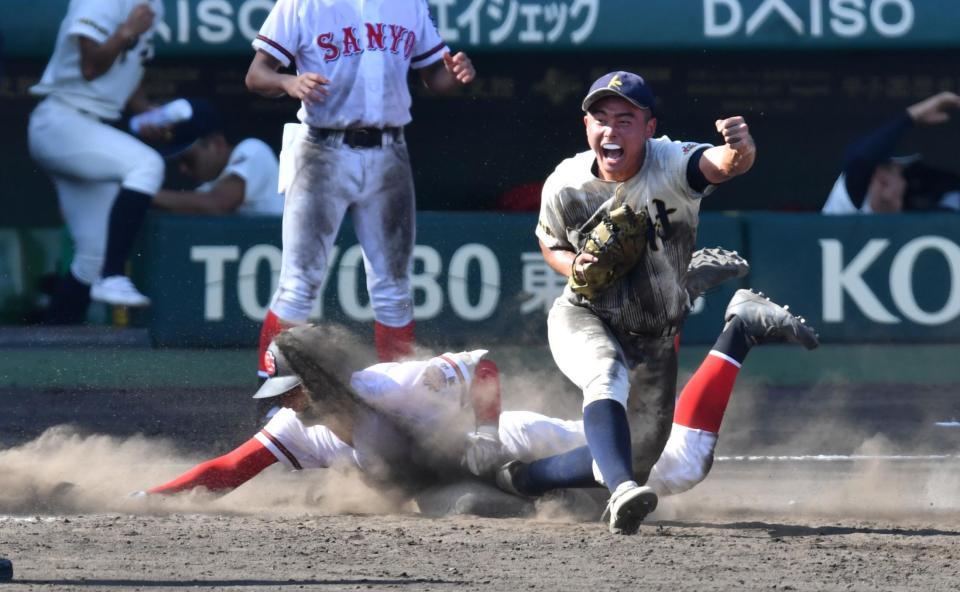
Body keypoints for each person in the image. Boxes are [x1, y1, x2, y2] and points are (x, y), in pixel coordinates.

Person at [141, 288, 818, 521]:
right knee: (477, 505)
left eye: (288, 389)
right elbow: (229, 469)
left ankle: (737, 328)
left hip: (513, 445)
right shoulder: (304, 426)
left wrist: (489, 431)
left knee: (674, 467)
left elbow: (482, 366)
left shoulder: (385, 386)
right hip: (484, 483)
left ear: (314, 381)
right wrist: (156, 495)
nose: (283, 404)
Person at [516, 70, 758, 534]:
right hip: (585, 313)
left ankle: (526, 477)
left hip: (652, 335)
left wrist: (740, 147)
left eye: (625, 120)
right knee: (604, 374)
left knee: (642, 453)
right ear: (586, 126)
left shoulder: (670, 162)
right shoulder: (566, 183)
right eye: (600, 118)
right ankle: (622, 489)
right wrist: (574, 267)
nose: (611, 130)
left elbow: (723, 164)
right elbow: (549, 243)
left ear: (649, 128)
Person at [243, 0, 476, 377]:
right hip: (321, 149)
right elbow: (257, 74)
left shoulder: (408, 4)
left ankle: (398, 393)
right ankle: (274, 392)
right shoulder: (303, 4)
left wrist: (457, 74)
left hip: (389, 151)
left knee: (393, 287)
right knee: (299, 282)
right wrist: (289, 82)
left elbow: (435, 75)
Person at [28, 0, 167, 323]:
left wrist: (144, 108)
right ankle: (114, 275)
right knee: (147, 165)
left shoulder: (153, 5)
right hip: (60, 120)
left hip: (88, 125)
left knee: (93, 254)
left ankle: (51, 340)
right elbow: (90, 67)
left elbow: (128, 66)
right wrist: (128, 31)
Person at [822, 91, 960, 215]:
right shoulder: (846, 203)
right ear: (883, 181)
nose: (905, 184)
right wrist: (912, 116)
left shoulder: (894, 220)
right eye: (899, 175)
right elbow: (860, 159)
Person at [153, 99, 285, 216]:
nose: (183, 169)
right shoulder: (208, 187)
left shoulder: (252, 149)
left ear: (217, 144)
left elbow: (218, 203)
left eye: (188, 160)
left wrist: (145, 191)